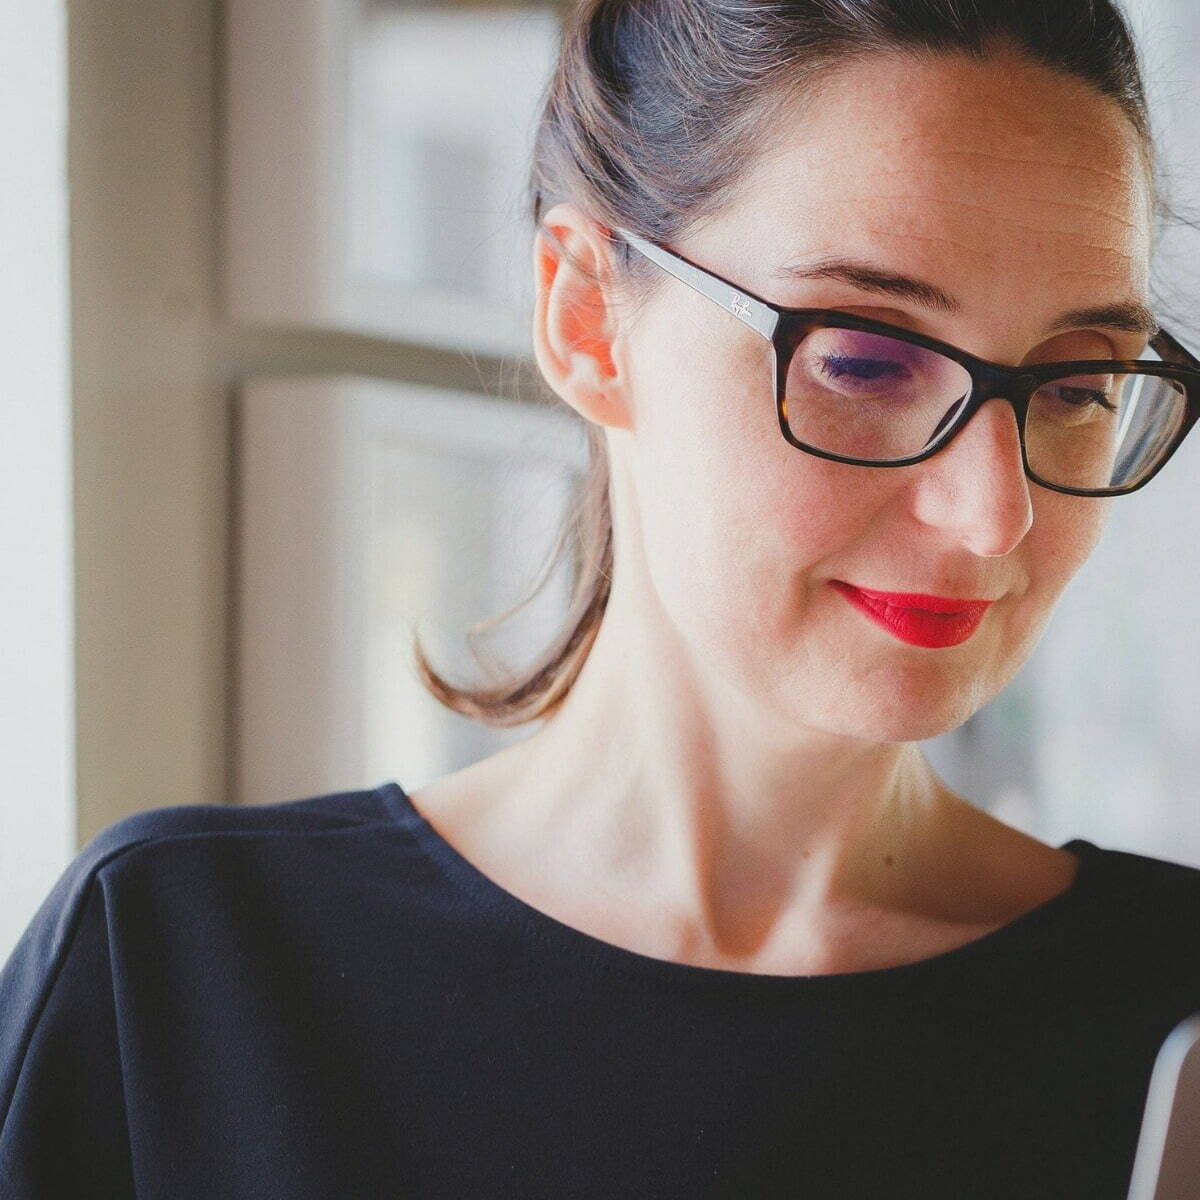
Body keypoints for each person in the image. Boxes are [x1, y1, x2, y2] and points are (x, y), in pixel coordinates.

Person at [4, 1, 1200, 1196]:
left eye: (1079, 385)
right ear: (588, 318)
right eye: (864, 359)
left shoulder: (1173, 1011)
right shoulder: (176, 969)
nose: (995, 514)